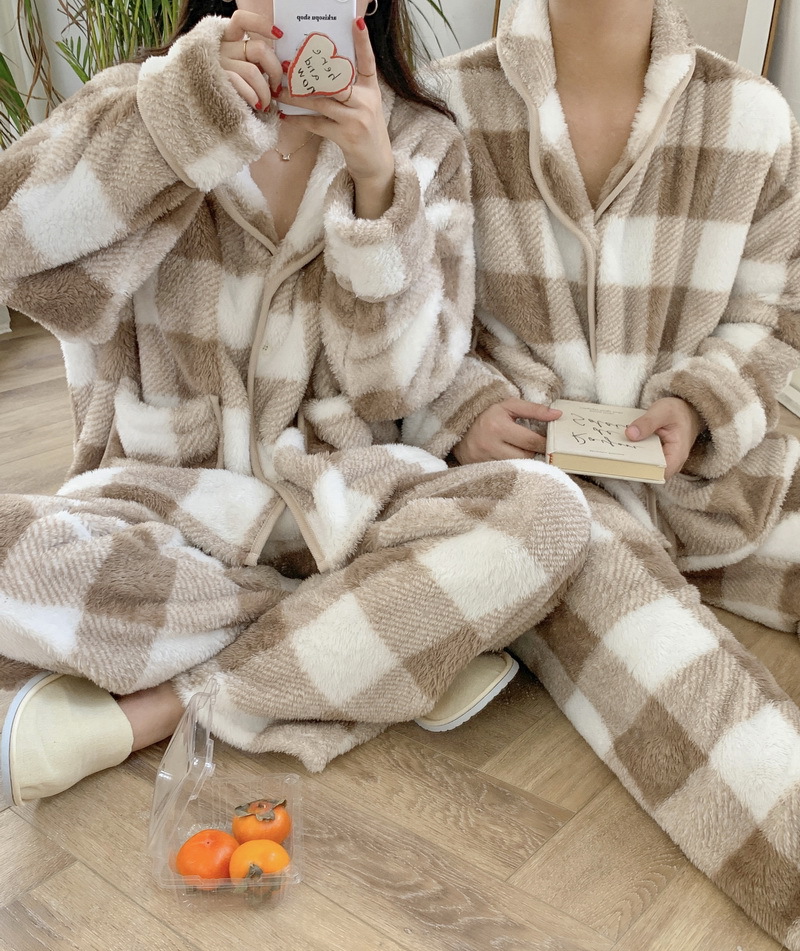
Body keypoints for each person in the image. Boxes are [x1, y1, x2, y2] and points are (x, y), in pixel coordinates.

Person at [0, 0, 593, 806]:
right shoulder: (151, 98)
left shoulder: (423, 144)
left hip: (342, 511)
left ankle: (163, 706)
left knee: (547, 515)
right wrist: (188, 114)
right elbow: (16, 249)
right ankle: (367, 645)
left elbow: (396, 386)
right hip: (167, 511)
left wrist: (378, 187)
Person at [409, 0, 800, 951]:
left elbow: (774, 319)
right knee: (676, 681)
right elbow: (411, 321)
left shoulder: (751, 117)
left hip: (720, 476)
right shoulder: (444, 110)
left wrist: (701, 405)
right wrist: (464, 408)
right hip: (546, 491)